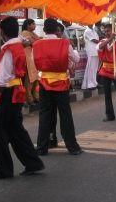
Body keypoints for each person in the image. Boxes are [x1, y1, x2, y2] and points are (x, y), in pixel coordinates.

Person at [0, 17, 45, 180]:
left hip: (8, 92)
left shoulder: (8, 49)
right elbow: (25, 41)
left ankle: (3, 169)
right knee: (16, 131)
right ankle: (33, 163)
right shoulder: (20, 43)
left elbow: (2, 80)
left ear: (2, 32)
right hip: (18, 91)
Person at [33, 18, 83, 156]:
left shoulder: (37, 44)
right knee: (65, 115)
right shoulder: (64, 43)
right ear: (57, 30)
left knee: (44, 115)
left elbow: (33, 61)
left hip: (44, 83)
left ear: (44, 30)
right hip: (61, 83)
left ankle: (43, 147)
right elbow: (76, 59)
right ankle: (72, 147)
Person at [20, 19, 40, 105]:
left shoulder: (33, 34)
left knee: (35, 79)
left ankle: (35, 96)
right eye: (33, 24)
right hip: (28, 59)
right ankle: (29, 99)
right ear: (28, 25)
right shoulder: (24, 33)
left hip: (33, 58)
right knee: (29, 80)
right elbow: (34, 42)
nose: (34, 25)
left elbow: (37, 42)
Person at [81, 23, 99, 90]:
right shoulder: (87, 31)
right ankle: (90, 85)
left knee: (94, 69)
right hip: (91, 51)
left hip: (96, 51)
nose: (91, 23)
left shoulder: (93, 31)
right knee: (91, 68)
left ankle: (94, 83)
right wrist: (103, 42)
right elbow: (94, 40)